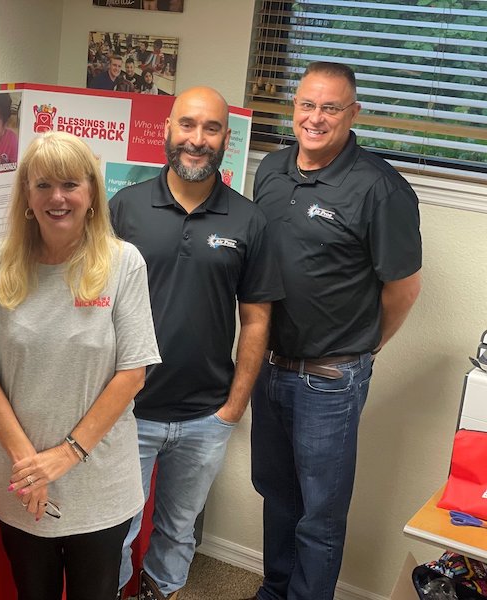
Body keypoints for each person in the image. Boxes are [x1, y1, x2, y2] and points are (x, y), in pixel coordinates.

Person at [249, 61, 422, 600]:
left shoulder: (380, 188)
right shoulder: (271, 171)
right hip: (269, 366)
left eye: (330, 107)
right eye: (306, 105)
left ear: (353, 114)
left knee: (319, 515)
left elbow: (403, 289)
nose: (315, 118)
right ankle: (274, 591)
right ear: (293, 108)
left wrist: (363, 349)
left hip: (329, 379)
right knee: (277, 497)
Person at [0, 131, 161, 600]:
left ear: (91, 194)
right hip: (19, 476)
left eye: (71, 184)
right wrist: (29, 467)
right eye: (43, 185)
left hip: (96, 479)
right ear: (27, 197)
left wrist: (63, 456)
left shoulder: (122, 263)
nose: (57, 197)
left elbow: (133, 372)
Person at [110, 87, 284, 600]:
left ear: (227, 140)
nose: (197, 139)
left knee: (178, 529)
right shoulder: (125, 208)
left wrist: (234, 407)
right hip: (126, 410)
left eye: (211, 129)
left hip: (205, 415)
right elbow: (92, 306)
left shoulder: (249, 221)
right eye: (187, 125)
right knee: (115, 528)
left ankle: (161, 592)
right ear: (166, 129)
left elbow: (255, 320)